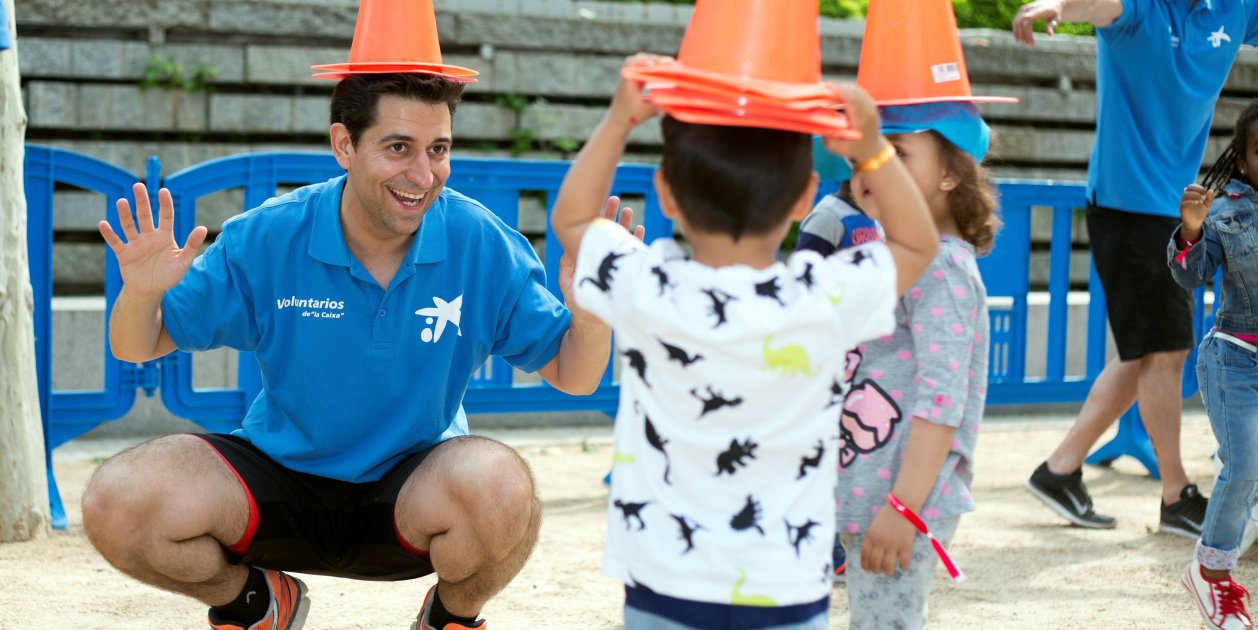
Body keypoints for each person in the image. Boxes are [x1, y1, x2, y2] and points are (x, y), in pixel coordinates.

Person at [81, 72, 639, 630]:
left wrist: (590, 319)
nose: (423, 175)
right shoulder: (268, 235)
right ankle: (256, 603)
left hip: (411, 492)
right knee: (117, 498)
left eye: (438, 150)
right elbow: (139, 345)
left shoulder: (481, 240)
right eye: (399, 147)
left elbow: (575, 375)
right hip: (278, 478)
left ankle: (450, 617)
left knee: (503, 487)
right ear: (344, 145)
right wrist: (143, 291)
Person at [551, 53, 939, 629]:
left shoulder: (648, 285)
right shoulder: (822, 296)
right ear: (805, 198)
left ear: (666, 194)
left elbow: (574, 221)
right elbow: (915, 246)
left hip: (664, 585)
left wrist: (618, 121)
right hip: (786, 587)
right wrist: (871, 149)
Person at [1014, 0, 1258, 534]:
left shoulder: (1235, 9)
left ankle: (1059, 470)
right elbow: (1096, 5)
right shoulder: (1142, 9)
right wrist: (1058, 5)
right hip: (1127, 205)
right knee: (1166, 351)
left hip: (1173, 206)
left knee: (1143, 355)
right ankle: (1176, 495)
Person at [827, 102, 996, 629]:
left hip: (900, 498)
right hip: (869, 490)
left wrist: (904, 509)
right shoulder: (888, 256)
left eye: (895, 154)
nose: (869, 170)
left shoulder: (941, 267)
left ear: (950, 174)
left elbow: (942, 401)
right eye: (862, 159)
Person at [1169, 101, 1258, 630]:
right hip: (1234, 361)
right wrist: (1191, 233)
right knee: (1244, 465)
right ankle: (1211, 572)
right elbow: (1190, 275)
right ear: (1244, 162)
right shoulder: (1227, 209)